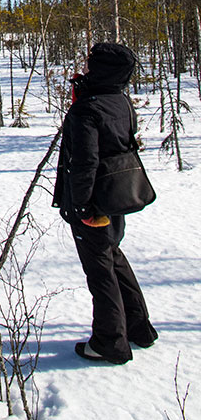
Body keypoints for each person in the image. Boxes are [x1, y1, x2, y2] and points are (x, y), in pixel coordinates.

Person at [53, 41, 158, 364]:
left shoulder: (89, 108)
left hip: (94, 200)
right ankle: (138, 328)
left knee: (101, 270)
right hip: (115, 194)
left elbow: (85, 161)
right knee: (113, 258)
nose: (85, 67)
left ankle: (110, 341)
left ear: (102, 70)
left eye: (91, 64)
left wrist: (82, 206)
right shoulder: (119, 100)